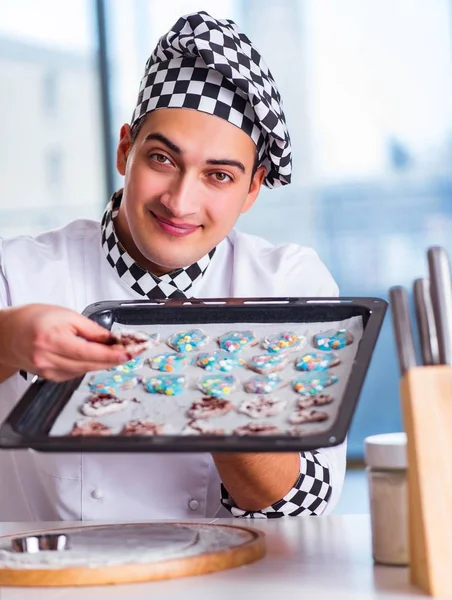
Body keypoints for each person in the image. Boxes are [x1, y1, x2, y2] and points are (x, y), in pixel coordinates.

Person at [0, 11, 346, 521]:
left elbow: (305, 506)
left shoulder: (289, 287)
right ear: (126, 150)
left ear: (252, 189)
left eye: (219, 176)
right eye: (162, 159)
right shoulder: (20, 271)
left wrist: (215, 399)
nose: (181, 202)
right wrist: (8, 338)